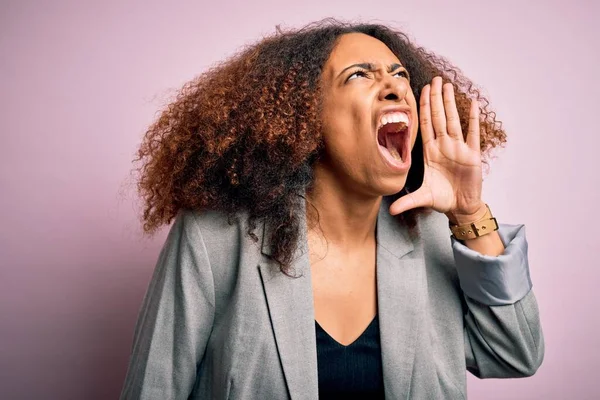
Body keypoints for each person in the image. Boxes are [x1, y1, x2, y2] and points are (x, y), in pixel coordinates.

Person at [120, 19, 544, 399]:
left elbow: (516, 354)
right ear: (304, 117)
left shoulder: (433, 235)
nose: (397, 86)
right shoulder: (215, 239)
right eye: (359, 75)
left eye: (399, 74)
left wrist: (469, 214)